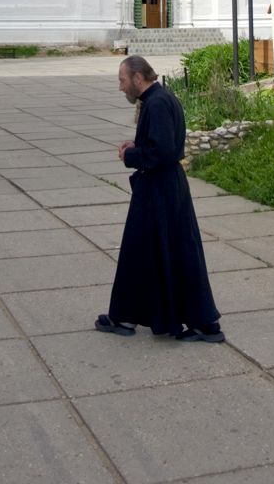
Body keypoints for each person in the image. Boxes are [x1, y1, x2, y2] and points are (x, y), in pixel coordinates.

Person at [95, 54, 224, 342]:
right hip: (163, 187)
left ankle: (200, 323)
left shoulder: (157, 103)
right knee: (152, 252)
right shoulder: (159, 98)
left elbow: (162, 153)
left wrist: (131, 155)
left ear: (138, 78)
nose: (121, 87)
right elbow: (159, 144)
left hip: (160, 189)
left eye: (122, 80)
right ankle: (135, 316)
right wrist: (137, 144)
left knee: (151, 251)